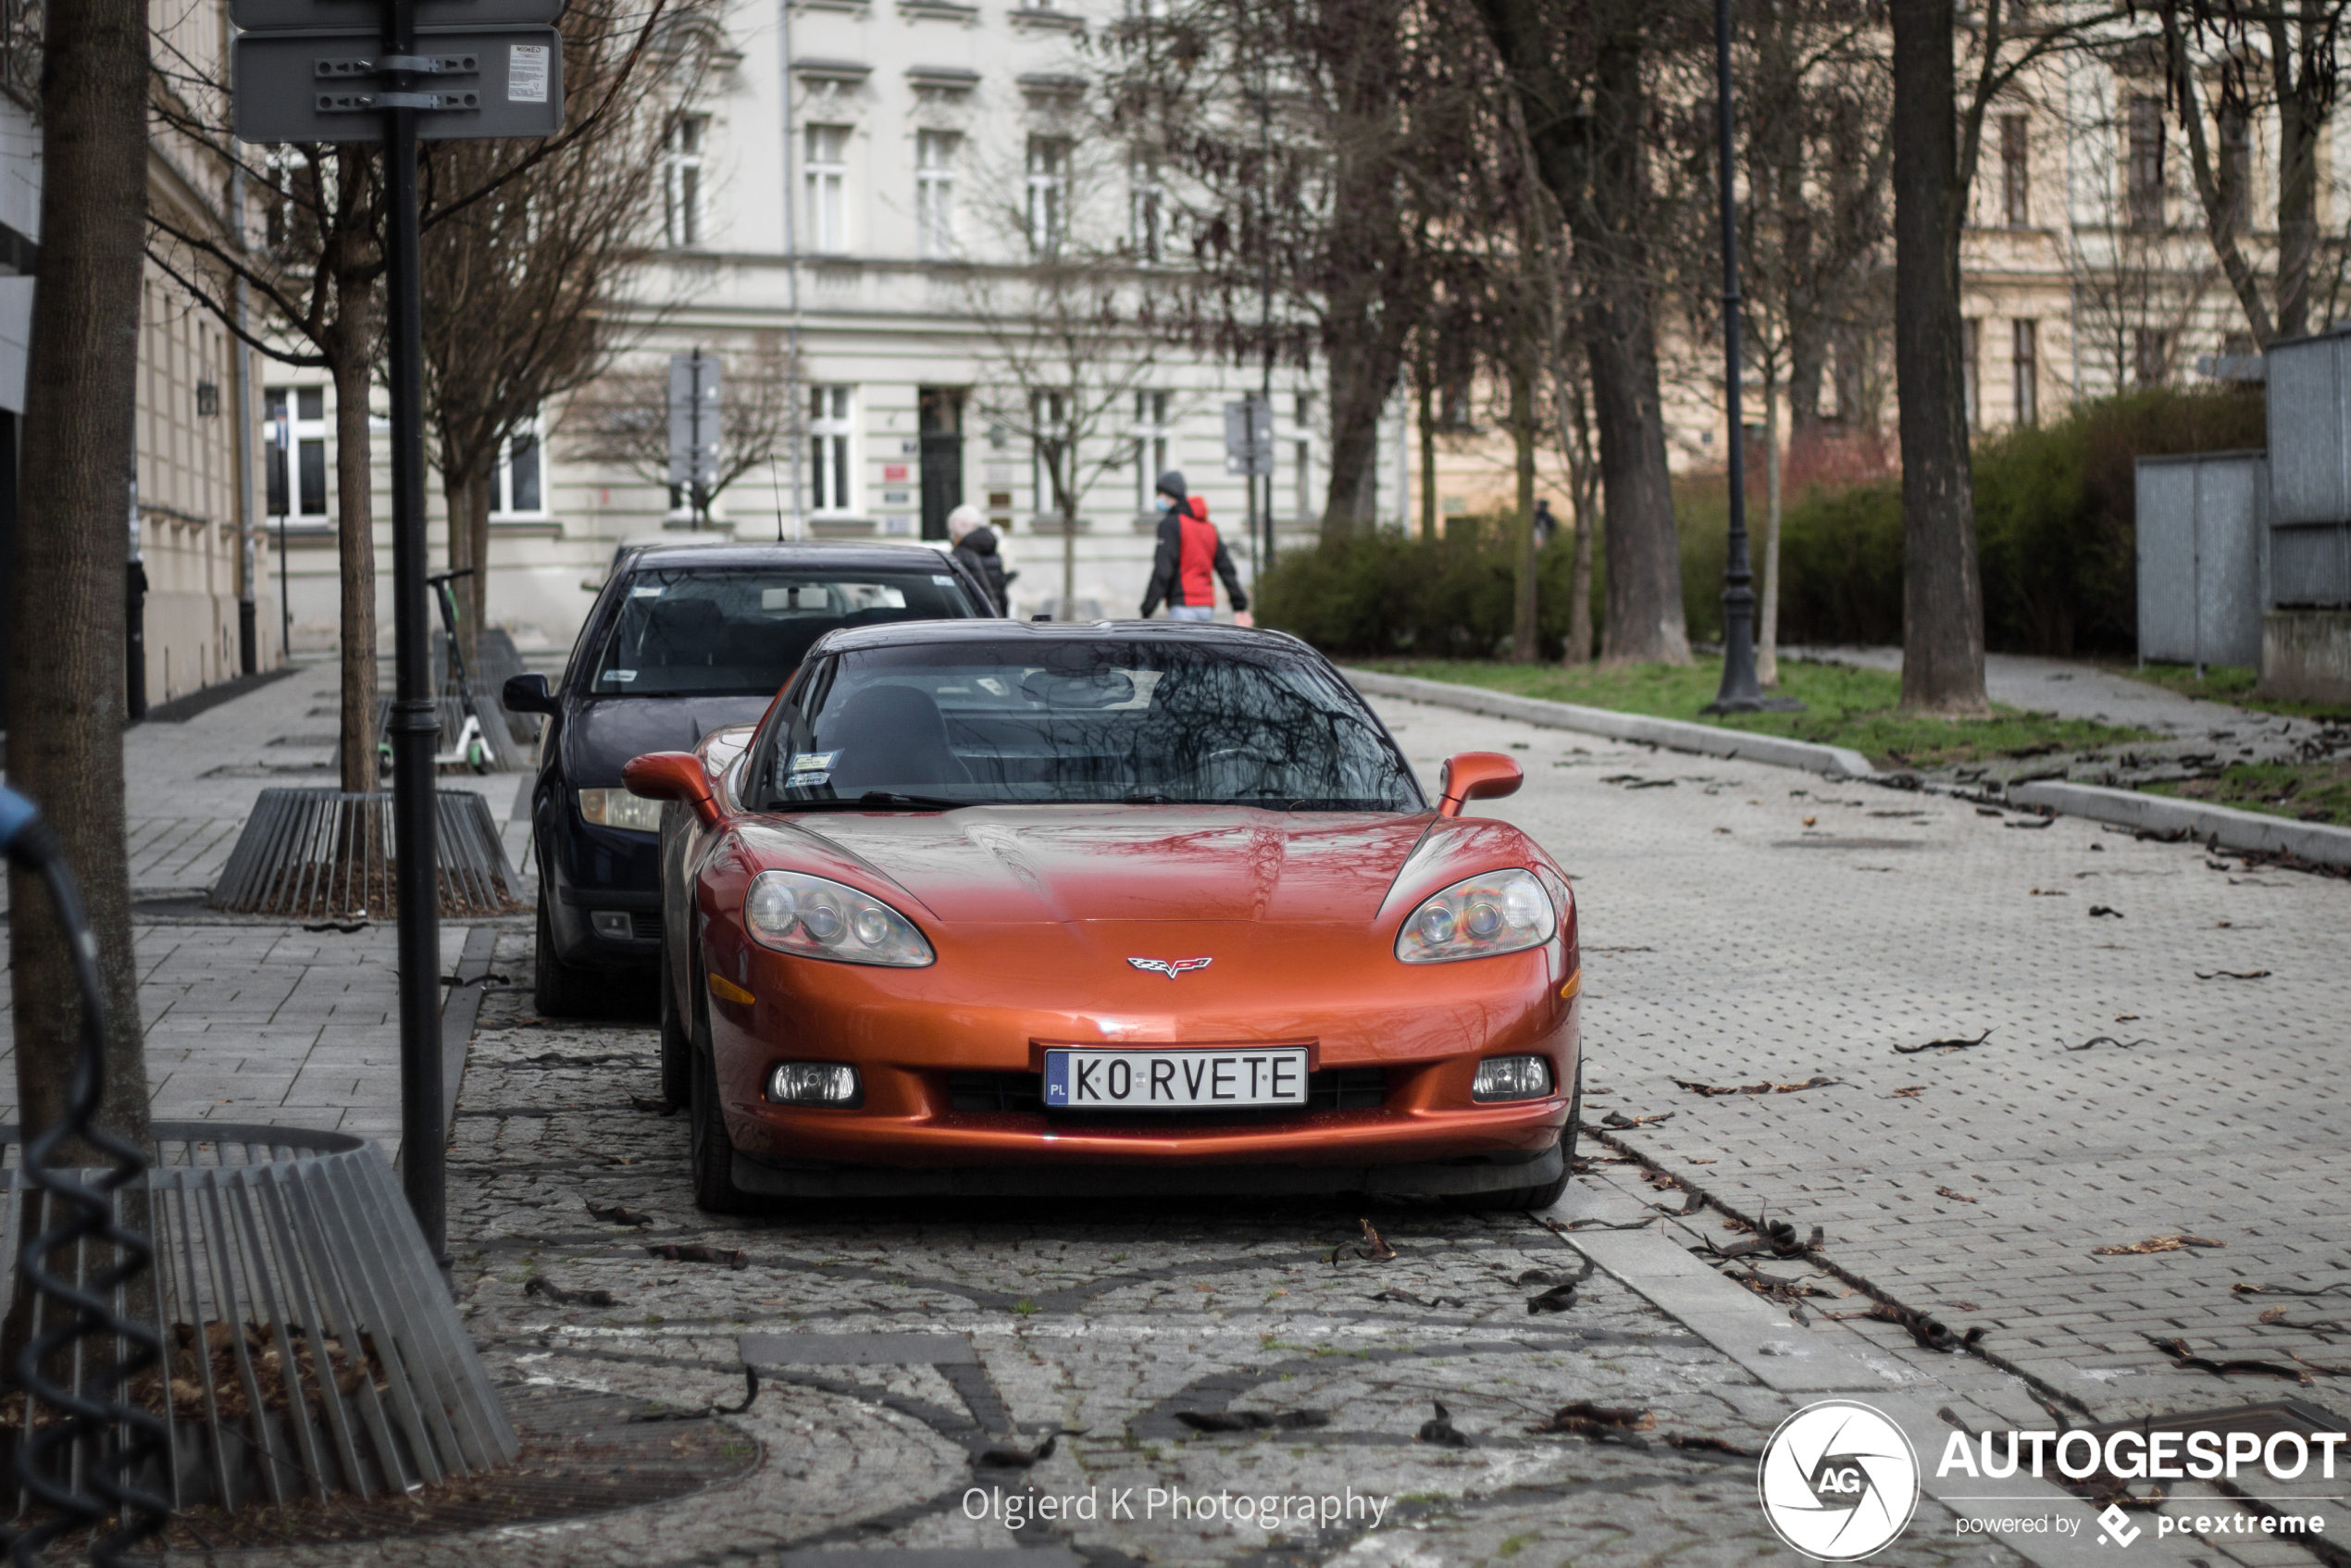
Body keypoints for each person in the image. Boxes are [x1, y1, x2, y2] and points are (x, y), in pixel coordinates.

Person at [1139, 470, 1250, 624]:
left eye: (1160, 494)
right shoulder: (1209, 527)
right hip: (1207, 607)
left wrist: (1147, 609)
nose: (1158, 499)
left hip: (1183, 606)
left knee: (1180, 648)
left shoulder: (1171, 524)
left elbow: (1163, 570)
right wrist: (1240, 605)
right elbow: (1226, 568)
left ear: (1169, 495)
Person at [947, 504, 1011, 615]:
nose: (952, 539)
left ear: (959, 530)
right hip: (997, 616)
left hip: (976, 618)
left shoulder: (961, 554)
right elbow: (1001, 593)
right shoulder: (992, 549)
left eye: (953, 533)